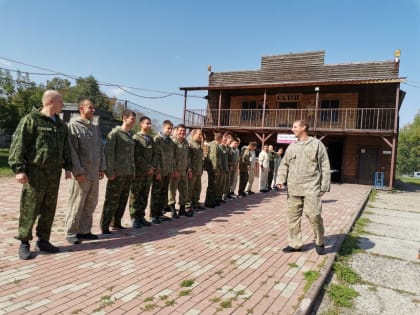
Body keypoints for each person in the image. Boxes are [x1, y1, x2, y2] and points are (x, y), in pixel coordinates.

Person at [8, 90, 72, 260]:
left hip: (54, 173)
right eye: (61, 101)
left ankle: (43, 240)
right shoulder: (31, 120)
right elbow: (19, 145)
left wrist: (68, 167)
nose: (63, 105)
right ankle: (24, 242)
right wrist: (19, 169)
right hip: (35, 172)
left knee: (48, 208)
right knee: (30, 207)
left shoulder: (61, 125)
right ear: (51, 101)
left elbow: (66, 147)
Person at [276, 120, 331, 255]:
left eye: (295, 127)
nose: (292, 129)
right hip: (293, 188)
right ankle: (295, 244)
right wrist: (280, 179)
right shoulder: (292, 147)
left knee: (314, 215)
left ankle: (319, 241)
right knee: (292, 218)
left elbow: (324, 165)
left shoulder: (317, 145)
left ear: (304, 127)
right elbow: (284, 164)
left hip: (311, 187)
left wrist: (324, 185)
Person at [65, 99, 106, 244]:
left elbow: (101, 149)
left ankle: (84, 231)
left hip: (94, 173)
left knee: (90, 203)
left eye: (94, 108)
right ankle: (71, 233)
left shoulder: (95, 128)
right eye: (90, 107)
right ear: (81, 108)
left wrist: (102, 167)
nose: (93, 110)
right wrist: (78, 171)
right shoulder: (73, 126)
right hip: (82, 174)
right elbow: (72, 151)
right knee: (77, 203)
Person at [100, 110, 136, 234]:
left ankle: (116, 222)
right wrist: (109, 171)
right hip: (117, 173)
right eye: (132, 119)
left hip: (127, 173)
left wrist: (132, 170)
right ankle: (104, 225)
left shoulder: (129, 135)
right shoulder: (115, 133)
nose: (134, 121)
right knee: (111, 200)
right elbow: (109, 153)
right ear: (124, 118)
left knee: (122, 200)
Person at [129, 116, 155, 228]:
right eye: (147, 123)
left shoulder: (150, 139)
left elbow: (154, 154)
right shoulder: (136, 138)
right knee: (135, 195)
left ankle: (141, 216)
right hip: (139, 172)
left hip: (148, 173)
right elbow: (136, 156)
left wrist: (152, 167)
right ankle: (134, 218)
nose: (149, 126)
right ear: (141, 124)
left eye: (150, 124)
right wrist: (147, 167)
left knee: (144, 195)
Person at [151, 120, 176, 224]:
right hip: (159, 172)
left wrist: (171, 170)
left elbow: (172, 158)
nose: (169, 131)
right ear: (163, 128)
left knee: (163, 194)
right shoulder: (157, 139)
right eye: (168, 128)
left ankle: (160, 213)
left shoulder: (170, 142)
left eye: (171, 129)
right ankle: (154, 215)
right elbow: (155, 157)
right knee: (156, 194)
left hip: (167, 172)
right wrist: (157, 172)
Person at [168, 124, 193, 217]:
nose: (182, 132)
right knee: (172, 190)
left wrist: (189, 169)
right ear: (177, 131)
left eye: (184, 131)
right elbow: (171, 157)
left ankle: (182, 209)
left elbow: (188, 157)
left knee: (184, 191)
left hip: (184, 171)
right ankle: (172, 209)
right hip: (175, 171)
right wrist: (174, 170)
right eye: (180, 130)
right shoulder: (173, 142)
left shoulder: (186, 142)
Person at [204, 132, 223, 208]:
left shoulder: (216, 145)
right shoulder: (214, 145)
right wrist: (215, 170)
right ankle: (209, 202)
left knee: (214, 186)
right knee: (212, 185)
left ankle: (213, 200)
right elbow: (213, 157)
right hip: (212, 169)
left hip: (214, 169)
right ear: (220, 139)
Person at [188, 129, 204, 210]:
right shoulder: (190, 144)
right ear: (193, 134)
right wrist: (189, 169)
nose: (201, 136)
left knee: (198, 188)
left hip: (198, 171)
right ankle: (188, 205)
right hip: (192, 171)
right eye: (199, 134)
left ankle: (195, 203)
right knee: (190, 188)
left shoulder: (198, 145)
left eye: (201, 135)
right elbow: (188, 158)